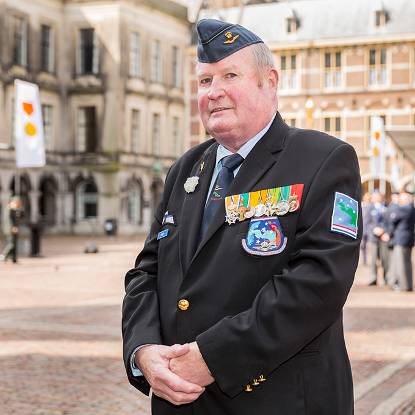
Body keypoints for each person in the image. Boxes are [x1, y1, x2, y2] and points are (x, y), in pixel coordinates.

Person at [122, 19, 362, 415]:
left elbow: (319, 283)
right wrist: (143, 350)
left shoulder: (322, 159)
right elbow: (147, 272)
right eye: (205, 81)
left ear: (270, 82)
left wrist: (213, 357)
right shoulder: (187, 168)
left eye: (229, 76)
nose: (214, 92)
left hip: (277, 401)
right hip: (182, 401)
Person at [388, 190, 415, 291]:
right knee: (406, 263)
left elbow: (393, 218)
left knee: (401, 264)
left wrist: (395, 204)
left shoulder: (405, 208)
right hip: (407, 239)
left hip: (401, 239)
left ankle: (404, 286)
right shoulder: (411, 208)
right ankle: (408, 285)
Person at [365, 191, 387, 285]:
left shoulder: (385, 207)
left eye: (378, 196)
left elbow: (388, 221)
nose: (377, 198)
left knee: (385, 258)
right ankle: (373, 278)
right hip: (373, 237)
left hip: (383, 237)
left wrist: (383, 230)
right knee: (373, 259)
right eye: (375, 196)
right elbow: (366, 222)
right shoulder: (369, 208)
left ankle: (386, 278)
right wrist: (374, 229)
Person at [0, 196, 21, 263]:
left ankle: (13, 258)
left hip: (14, 229)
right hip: (10, 229)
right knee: (11, 244)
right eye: (16, 202)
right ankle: (4, 255)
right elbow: (9, 220)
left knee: (14, 244)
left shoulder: (15, 209)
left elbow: (19, 217)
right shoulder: (9, 209)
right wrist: (13, 227)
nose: (18, 204)